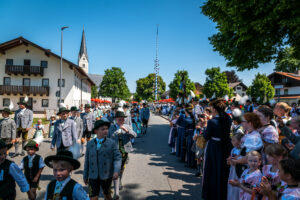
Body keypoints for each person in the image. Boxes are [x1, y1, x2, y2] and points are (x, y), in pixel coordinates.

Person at [202, 99, 232, 200]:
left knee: (212, 170)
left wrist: (206, 124)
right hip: (225, 146)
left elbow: (206, 136)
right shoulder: (228, 118)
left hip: (214, 147)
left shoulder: (212, 121)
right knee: (222, 171)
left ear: (214, 109)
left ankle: (211, 194)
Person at [84, 120, 122, 200]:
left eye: (107, 129)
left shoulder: (111, 143)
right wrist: (85, 175)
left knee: (107, 195)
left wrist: (116, 171)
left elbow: (117, 158)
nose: (106, 131)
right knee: (93, 197)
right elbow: (87, 160)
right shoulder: (90, 144)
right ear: (96, 131)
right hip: (93, 175)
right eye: (103, 129)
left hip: (106, 175)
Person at [108, 111, 137, 200]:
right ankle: (116, 193)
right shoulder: (111, 128)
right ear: (116, 119)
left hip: (125, 152)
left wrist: (126, 131)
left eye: (123, 119)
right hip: (115, 152)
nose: (121, 120)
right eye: (119, 119)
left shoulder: (127, 126)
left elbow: (135, 135)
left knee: (121, 169)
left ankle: (120, 180)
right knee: (115, 170)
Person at [227, 132, 244, 200]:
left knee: (237, 189)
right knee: (232, 188)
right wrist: (229, 161)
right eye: (232, 140)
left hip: (238, 172)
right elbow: (230, 162)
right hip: (232, 171)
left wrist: (234, 161)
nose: (232, 142)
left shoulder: (242, 151)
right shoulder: (233, 149)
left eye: (234, 140)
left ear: (240, 141)